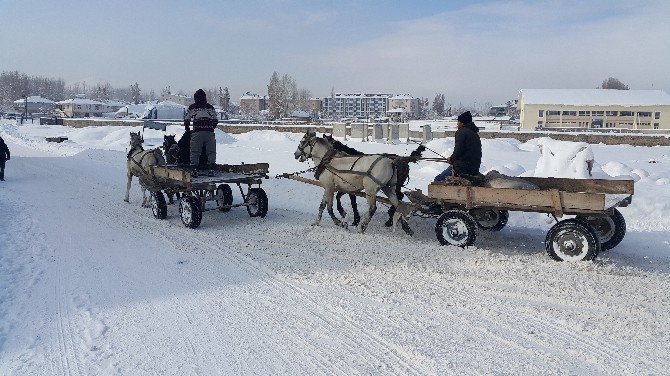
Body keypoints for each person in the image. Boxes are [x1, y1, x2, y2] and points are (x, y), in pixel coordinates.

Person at [434, 111, 481, 182]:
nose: (457, 124)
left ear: (462, 123)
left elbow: (458, 150)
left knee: (438, 179)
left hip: (462, 168)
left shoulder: (461, 132)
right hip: (474, 168)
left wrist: (451, 159)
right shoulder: (474, 133)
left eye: (458, 122)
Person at [184, 89, 218, 175]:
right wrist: (210, 128)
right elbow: (215, 120)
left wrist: (188, 130)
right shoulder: (210, 107)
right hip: (209, 133)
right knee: (211, 151)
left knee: (195, 151)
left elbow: (186, 120)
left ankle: (194, 170)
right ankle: (211, 169)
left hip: (197, 133)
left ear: (196, 98)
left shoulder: (192, 107)